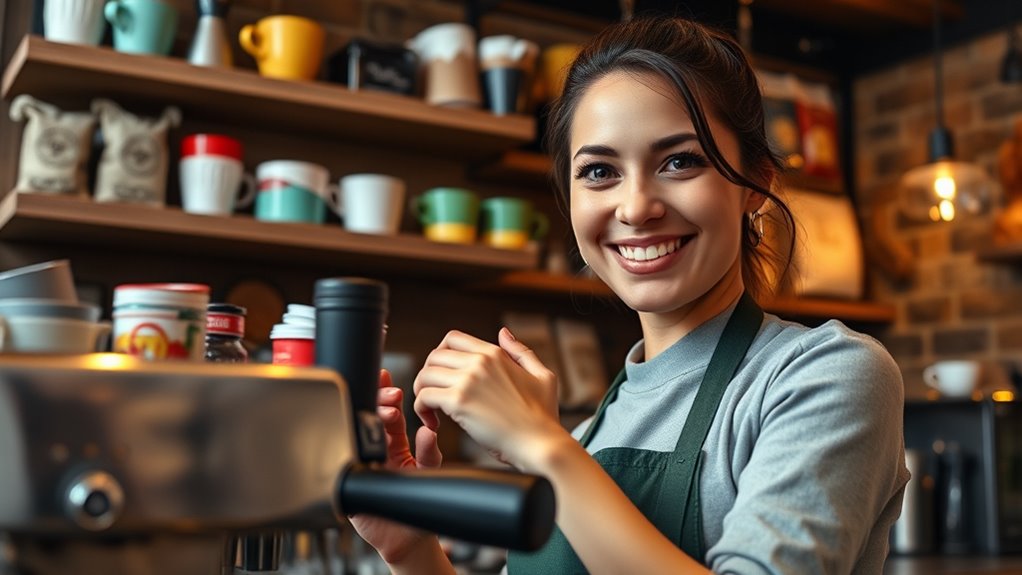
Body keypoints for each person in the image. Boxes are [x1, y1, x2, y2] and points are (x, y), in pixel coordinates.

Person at [352, 16, 909, 575]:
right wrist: (413, 551)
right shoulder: (588, 434)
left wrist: (541, 447)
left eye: (680, 161)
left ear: (755, 186)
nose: (636, 207)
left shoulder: (825, 376)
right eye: (599, 171)